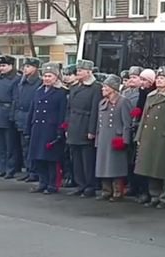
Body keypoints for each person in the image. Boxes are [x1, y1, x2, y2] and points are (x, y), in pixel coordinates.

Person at [135, 67, 165, 208]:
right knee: (149, 167)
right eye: (158, 78)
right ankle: (154, 195)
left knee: (163, 169)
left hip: (163, 136)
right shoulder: (151, 96)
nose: (159, 80)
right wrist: (139, 135)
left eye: (163, 78)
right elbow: (144, 118)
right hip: (149, 135)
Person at [28, 63, 68, 194]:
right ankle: (42, 182)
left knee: (51, 159)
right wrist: (29, 126)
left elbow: (62, 113)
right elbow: (32, 110)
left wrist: (60, 131)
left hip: (51, 129)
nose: (46, 79)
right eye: (45, 76)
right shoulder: (39, 91)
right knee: (39, 158)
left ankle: (52, 184)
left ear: (56, 77)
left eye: (49, 76)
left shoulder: (61, 92)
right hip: (38, 128)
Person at [66, 59, 102, 198]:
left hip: (85, 124)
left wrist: (92, 130)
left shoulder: (96, 88)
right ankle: (80, 184)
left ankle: (89, 186)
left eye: (81, 70)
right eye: (78, 70)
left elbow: (95, 110)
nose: (78, 73)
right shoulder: (75, 87)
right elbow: (69, 109)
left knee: (87, 159)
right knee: (75, 158)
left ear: (89, 71)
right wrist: (67, 125)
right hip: (74, 125)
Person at [95, 74, 133, 202]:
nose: (103, 89)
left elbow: (127, 123)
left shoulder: (123, 102)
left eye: (106, 87)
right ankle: (106, 190)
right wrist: (97, 139)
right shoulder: (102, 102)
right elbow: (98, 124)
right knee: (103, 165)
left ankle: (117, 191)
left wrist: (125, 140)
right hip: (104, 138)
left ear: (113, 88)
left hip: (116, 138)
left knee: (115, 166)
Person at [0, 56, 20, 179]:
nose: (1, 68)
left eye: (4, 66)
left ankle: (10, 168)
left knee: (10, 145)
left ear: (11, 66)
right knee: (0, 144)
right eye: (1, 66)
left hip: (7, 113)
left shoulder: (16, 79)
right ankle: (2, 168)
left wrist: (12, 116)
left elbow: (15, 99)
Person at [13, 58, 42, 183]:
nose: (25, 69)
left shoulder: (38, 83)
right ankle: (29, 170)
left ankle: (35, 171)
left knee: (31, 146)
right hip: (21, 116)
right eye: (24, 66)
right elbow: (17, 99)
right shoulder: (22, 82)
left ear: (35, 68)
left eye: (28, 66)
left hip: (30, 117)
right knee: (24, 146)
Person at [130, 68, 156, 200]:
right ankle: (138, 188)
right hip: (139, 126)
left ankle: (147, 191)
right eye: (141, 79)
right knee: (137, 160)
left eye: (144, 80)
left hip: (149, 128)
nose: (142, 82)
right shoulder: (141, 92)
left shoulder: (152, 94)